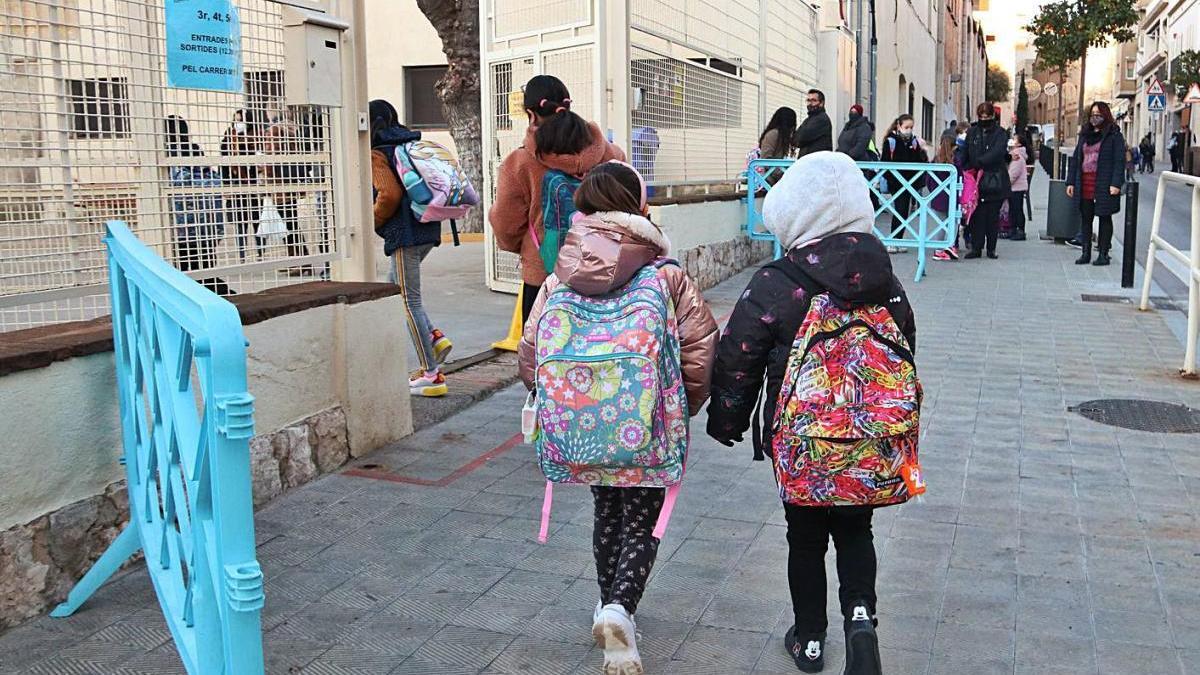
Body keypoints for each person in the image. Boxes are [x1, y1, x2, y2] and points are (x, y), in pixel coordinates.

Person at [707, 151, 916, 675]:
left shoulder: (780, 280)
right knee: (855, 531)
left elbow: (739, 355)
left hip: (802, 440)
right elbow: (905, 350)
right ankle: (861, 620)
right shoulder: (885, 280)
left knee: (804, 537)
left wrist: (727, 420)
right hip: (869, 438)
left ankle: (811, 640)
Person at [519, 161, 718, 675]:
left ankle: (608, 605)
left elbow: (531, 352)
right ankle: (619, 608)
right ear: (640, 208)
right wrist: (681, 408)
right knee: (642, 519)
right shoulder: (665, 275)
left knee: (606, 510)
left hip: (581, 428)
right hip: (647, 426)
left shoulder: (562, 274)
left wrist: (561, 408)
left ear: (584, 208)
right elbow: (699, 349)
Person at [489, 74, 626, 324]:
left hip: (544, 273)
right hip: (604, 268)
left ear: (531, 114)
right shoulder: (612, 155)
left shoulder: (519, 163)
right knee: (601, 346)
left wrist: (525, 248)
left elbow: (505, 223)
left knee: (540, 350)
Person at [369, 99, 454, 397]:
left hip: (405, 233)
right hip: (429, 226)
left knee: (408, 300)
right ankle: (433, 337)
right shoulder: (409, 143)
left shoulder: (378, 152)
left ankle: (432, 375)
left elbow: (389, 194)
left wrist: (374, 219)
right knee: (394, 287)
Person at [165, 115, 230, 295]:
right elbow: (214, 180)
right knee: (205, 263)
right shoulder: (195, 151)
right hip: (209, 223)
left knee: (188, 269)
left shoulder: (168, 156)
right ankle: (218, 291)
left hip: (185, 225)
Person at [1066, 102, 1126, 267]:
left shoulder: (1114, 135)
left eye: (1099, 114)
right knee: (1086, 218)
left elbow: (1119, 161)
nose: (1095, 117)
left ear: (1105, 115)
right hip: (1085, 181)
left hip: (1104, 183)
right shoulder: (1085, 135)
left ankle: (1104, 254)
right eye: (1093, 114)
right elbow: (1077, 159)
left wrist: (1116, 183)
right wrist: (1070, 181)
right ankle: (1085, 253)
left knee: (1105, 217)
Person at [265, 108, 310, 270]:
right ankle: (298, 259)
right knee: (291, 221)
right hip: (291, 181)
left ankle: (300, 260)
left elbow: (270, 157)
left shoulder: (274, 131)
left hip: (278, 184)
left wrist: (264, 171)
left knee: (287, 223)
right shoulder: (293, 130)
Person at [963, 101, 1010, 259]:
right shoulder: (973, 132)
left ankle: (991, 248)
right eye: (981, 116)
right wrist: (964, 167)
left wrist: (980, 162)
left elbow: (998, 152)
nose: (984, 119)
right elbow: (965, 152)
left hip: (994, 179)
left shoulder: (1000, 133)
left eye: (987, 116)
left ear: (992, 116)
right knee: (976, 216)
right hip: (976, 179)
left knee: (992, 216)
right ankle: (976, 248)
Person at [880, 114, 928, 252]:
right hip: (896, 182)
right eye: (906, 127)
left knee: (904, 212)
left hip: (910, 182)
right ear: (899, 126)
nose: (909, 130)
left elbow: (920, 162)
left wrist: (922, 150)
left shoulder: (914, 142)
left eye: (911, 127)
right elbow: (885, 162)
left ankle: (898, 240)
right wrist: (892, 179)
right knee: (899, 210)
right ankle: (893, 240)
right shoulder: (891, 141)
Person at [220, 110, 262, 261]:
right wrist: (225, 185)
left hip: (253, 185)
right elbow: (223, 164)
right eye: (236, 120)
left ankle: (260, 252)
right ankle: (242, 254)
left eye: (241, 120)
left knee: (256, 219)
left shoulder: (255, 137)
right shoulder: (228, 138)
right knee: (240, 222)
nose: (238, 124)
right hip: (236, 184)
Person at [930, 123, 967, 260]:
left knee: (941, 224)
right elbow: (960, 179)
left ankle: (939, 249)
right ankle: (949, 246)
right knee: (954, 222)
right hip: (952, 198)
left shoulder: (935, 161)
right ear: (954, 147)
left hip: (938, 199)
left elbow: (929, 180)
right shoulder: (955, 162)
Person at [792, 89, 833, 158]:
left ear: (821, 103)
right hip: (808, 161)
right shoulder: (808, 120)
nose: (810, 103)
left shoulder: (821, 119)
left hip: (817, 162)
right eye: (808, 100)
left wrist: (798, 138)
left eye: (814, 100)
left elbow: (801, 137)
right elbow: (795, 139)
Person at [1007, 134, 1029, 241]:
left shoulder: (1017, 156)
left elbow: (1013, 174)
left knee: (1016, 209)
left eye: (1014, 139)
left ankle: (1020, 231)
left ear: (1019, 143)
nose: (1012, 140)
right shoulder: (1015, 154)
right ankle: (1013, 229)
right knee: (1014, 209)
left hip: (1016, 187)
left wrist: (1006, 183)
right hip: (1016, 187)